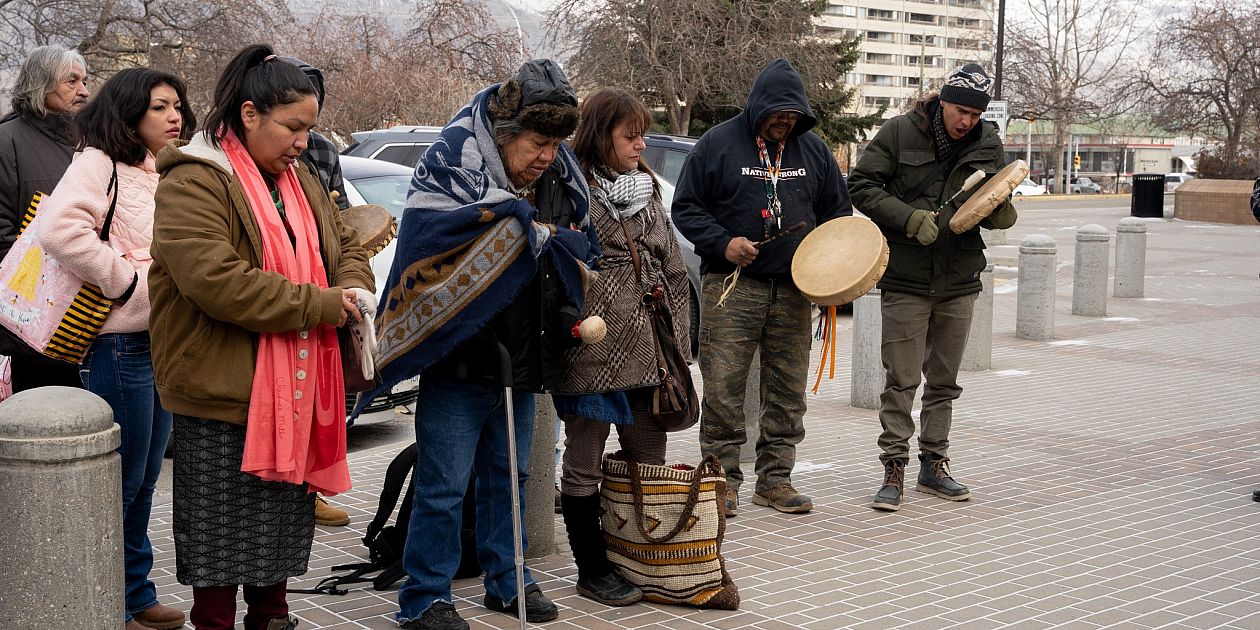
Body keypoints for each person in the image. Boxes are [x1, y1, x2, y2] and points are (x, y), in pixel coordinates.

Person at [149, 44, 374, 630]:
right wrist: (322, 304)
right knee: (219, 540)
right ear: (249, 114)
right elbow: (217, 282)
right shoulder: (194, 179)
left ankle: (273, 618)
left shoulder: (300, 178)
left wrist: (353, 286)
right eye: (292, 127)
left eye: (309, 129)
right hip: (222, 389)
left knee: (279, 531)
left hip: (292, 387)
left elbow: (346, 243)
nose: (303, 142)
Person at [367, 59, 596, 630]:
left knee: (509, 478)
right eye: (537, 143)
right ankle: (425, 597)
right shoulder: (450, 170)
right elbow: (427, 267)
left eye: (555, 145)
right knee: (443, 486)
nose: (547, 156)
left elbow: (564, 256)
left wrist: (566, 315)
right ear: (504, 133)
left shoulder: (559, 182)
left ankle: (508, 579)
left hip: (524, 359)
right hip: (460, 363)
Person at [40, 67, 193, 630]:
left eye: (177, 105)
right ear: (129, 112)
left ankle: (136, 594)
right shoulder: (98, 161)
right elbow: (60, 230)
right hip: (119, 344)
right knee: (121, 482)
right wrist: (126, 283)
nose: (174, 116)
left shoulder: (158, 168)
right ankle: (112, 604)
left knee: (145, 479)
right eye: (159, 106)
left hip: (160, 341)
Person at [672, 57, 852, 517]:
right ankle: (721, 480)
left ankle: (775, 480)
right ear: (758, 106)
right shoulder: (717, 143)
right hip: (732, 286)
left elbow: (838, 215)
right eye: (777, 114)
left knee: (788, 391)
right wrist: (722, 243)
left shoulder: (813, 151)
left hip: (793, 290)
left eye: (793, 116)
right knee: (724, 389)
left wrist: (827, 266)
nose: (784, 123)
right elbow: (686, 207)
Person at [847, 63, 1018, 512]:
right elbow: (860, 185)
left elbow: (994, 196)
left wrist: (1000, 210)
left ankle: (933, 464)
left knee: (944, 382)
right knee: (901, 380)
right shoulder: (900, 132)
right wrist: (907, 218)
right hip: (906, 276)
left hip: (959, 278)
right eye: (961, 111)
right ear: (943, 102)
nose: (968, 122)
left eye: (975, 115)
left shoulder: (987, 141)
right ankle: (893, 468)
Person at [552, 87, 692, 606]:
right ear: (600, 135)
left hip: (650, 351)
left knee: (649, 456)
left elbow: (674, 269)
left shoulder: (647, 189)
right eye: (630, 136)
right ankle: (592, 569)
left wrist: (678, 347)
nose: (641, 145)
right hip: (591, 350)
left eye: (643, 135)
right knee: (583, 461)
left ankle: (640, 558)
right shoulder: (570, 189)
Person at [281, 54, 353, 528]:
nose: (302, 140)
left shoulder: (323, 152)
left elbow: (343, 222)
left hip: (321, 294)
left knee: (322, 404)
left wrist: (352, 283)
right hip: (286, 298)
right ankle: (292, 492)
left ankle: (311, 489)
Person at [0, 45, 90, 391]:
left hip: (91, 311)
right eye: (72, 81)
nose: (84, 91)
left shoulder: (88, 141)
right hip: (34, 320)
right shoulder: (7, 141)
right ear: (41, 83)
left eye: (84, 81)